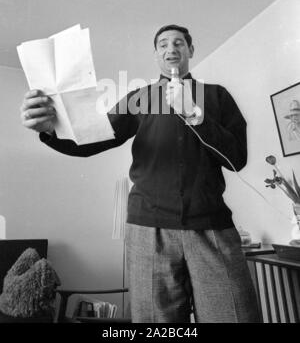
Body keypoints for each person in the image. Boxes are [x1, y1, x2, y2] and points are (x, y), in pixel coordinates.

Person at [20, 24, 260, 323]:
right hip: (148, 230)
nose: (171, 49)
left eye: (178, 43)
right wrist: (50, 131)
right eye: (162, 44)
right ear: (157, 54)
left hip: (212, 227)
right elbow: (95, 139)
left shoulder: (216, 95)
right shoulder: (140, 97)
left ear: (190, 51)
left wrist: (195, 115)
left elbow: (236, 159)